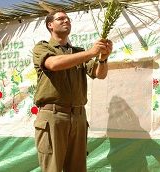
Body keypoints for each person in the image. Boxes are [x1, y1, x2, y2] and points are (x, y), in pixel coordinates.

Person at [32, 9, 112, 172]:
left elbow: (100, 74)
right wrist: (91, 52)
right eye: (60, 19)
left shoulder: (78, 52)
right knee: (52, 168)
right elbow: (53, 64)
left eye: (68, 18)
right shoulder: (42, 47)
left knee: (77, 169)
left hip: (78, 117)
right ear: (50, 25)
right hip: (53, 117)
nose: (66, 21)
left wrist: (103, 58)